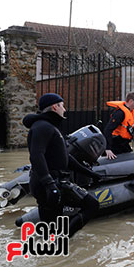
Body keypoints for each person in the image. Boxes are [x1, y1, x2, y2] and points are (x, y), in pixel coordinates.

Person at [23, 93, 100, 238]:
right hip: (47, 183)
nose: (64, 109)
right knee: (91, 205)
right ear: (55, 106)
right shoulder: (42, 127)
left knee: (53, 226)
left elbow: (66, 158)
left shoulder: (51, 127)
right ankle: (58, 245)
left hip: (55, 181)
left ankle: (57, 247)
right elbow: (36, 156)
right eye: (62, 105)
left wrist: (91, 174)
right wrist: (49, 185)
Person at [103, 92, 134, 160]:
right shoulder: (120, 113)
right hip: (115, 143)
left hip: (124, 143)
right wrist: (108, 148)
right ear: (131, 101)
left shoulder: (133, 113)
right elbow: (108, 130)